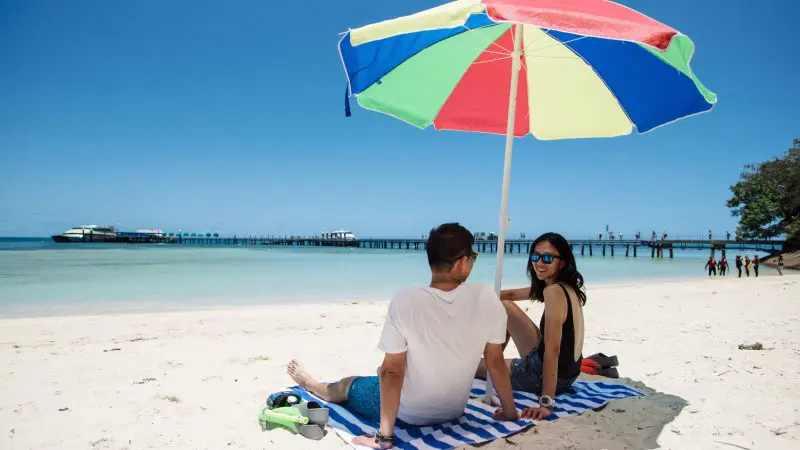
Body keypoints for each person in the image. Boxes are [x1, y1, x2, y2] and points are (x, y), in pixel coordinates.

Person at [286, 223, 519, 449]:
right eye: (473, 256)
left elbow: (392, 371)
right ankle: (316, 382)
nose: (474, 261)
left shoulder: (406, 300)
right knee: (382, 373)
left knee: (349, 385)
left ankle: (312, 384)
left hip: (409, 414)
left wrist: (384, 437)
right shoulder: (487, 299)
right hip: (454, 410)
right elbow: (495, 362)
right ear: (461, 262)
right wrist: (509, 411)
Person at [475, 232, 585, 421]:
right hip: (569, 374)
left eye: (548, 258)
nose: (540, 263)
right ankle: (496, 361)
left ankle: (494, 364)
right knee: (505, 304)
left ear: (563, 262)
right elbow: (509, 294)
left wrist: (546, 403)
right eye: (535, 256)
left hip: (545, 376)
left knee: (473, 366)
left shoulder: (553, 292)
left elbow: (553, 349)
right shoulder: (565, 287)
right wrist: (473, 297)